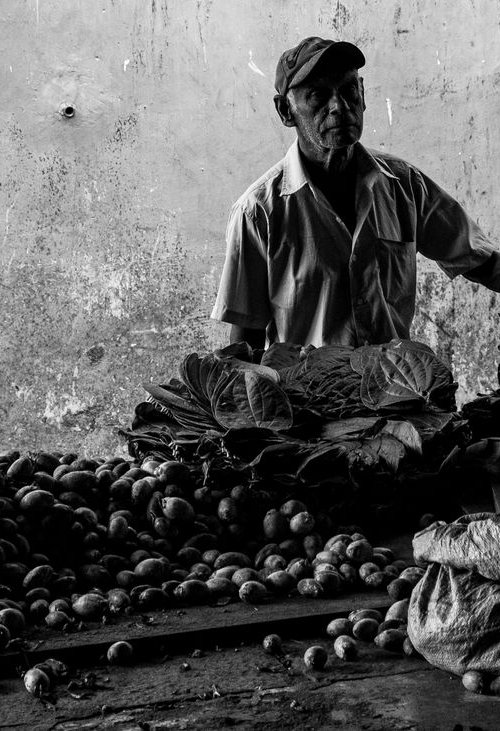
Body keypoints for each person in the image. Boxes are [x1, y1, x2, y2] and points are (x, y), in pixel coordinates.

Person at [211, 37, 500, 350]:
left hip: (394, 391)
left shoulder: (404, 185)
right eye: (318, 95)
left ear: (362, 94)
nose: (338, 106)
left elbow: (482, 261)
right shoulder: (258, 212)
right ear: (286, 111)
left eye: (348, 90)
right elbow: (244, 346)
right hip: (308, 397)